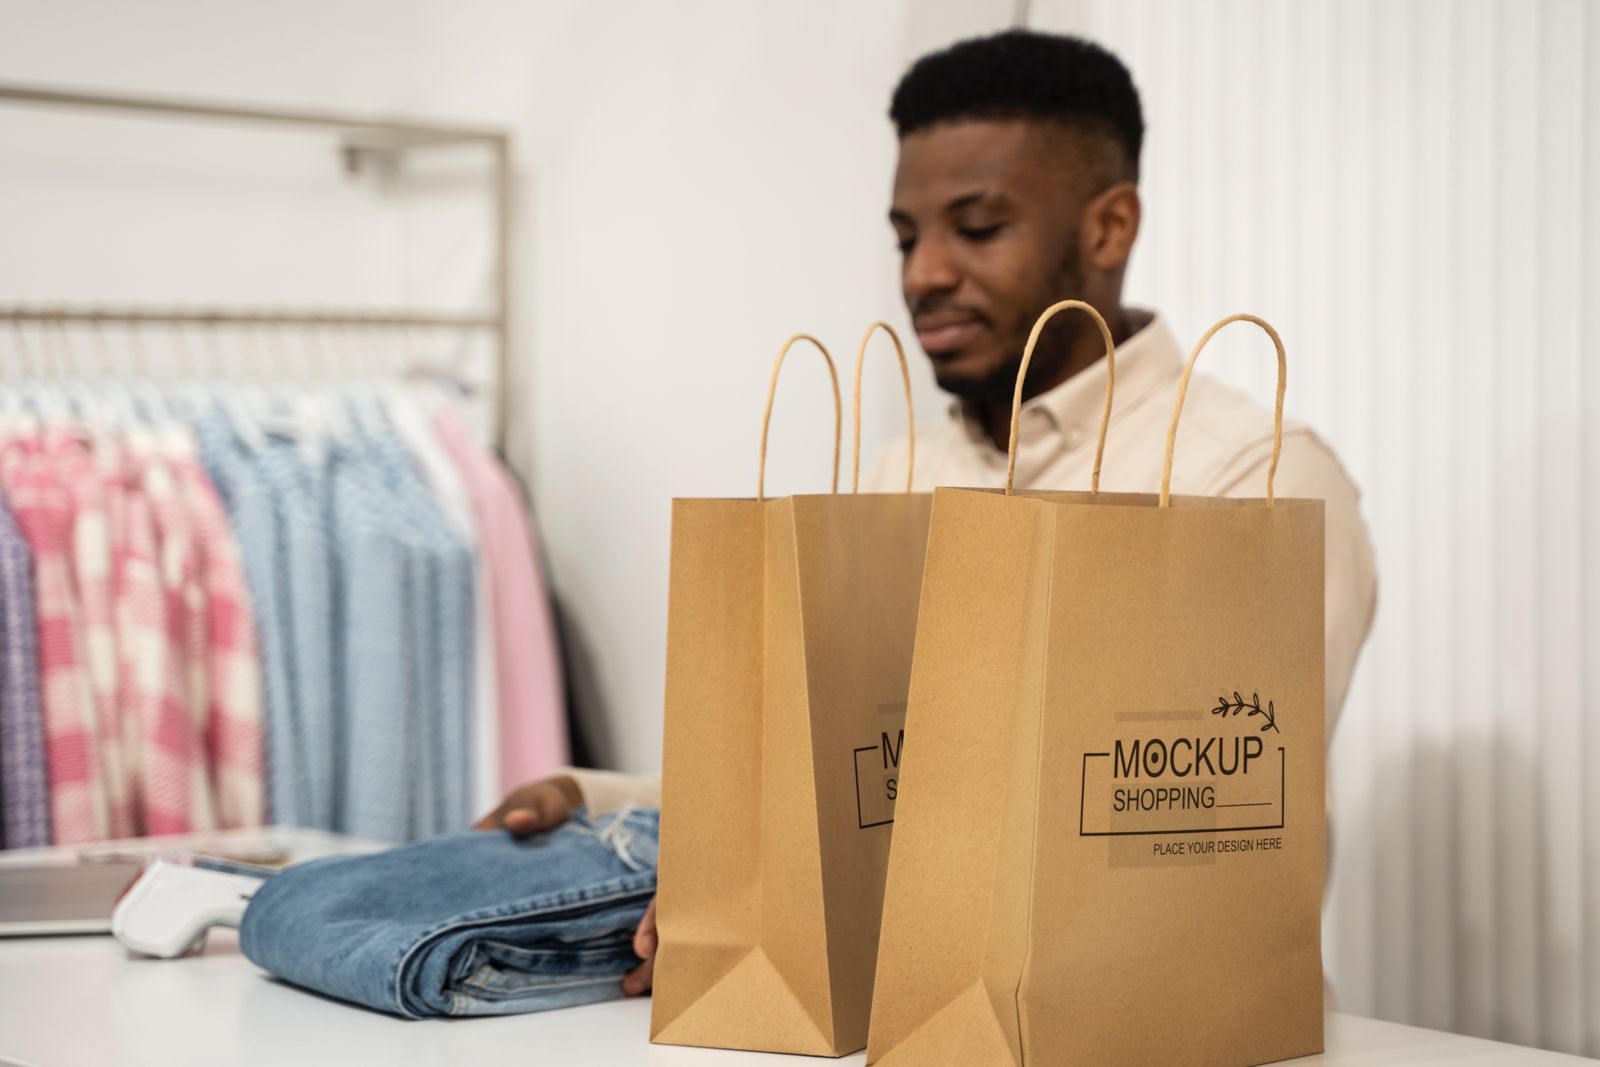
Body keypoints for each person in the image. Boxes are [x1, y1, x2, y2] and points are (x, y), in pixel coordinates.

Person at [476, 28, 1378, 999]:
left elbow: (1178, 828)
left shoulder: (1255, 480)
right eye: (907, 237)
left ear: (1109, 227)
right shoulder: (898, 473)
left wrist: (764, 885)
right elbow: (840, 776)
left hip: (1163, 1033)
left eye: (976, 228)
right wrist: (612, 804)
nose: (922, 276)